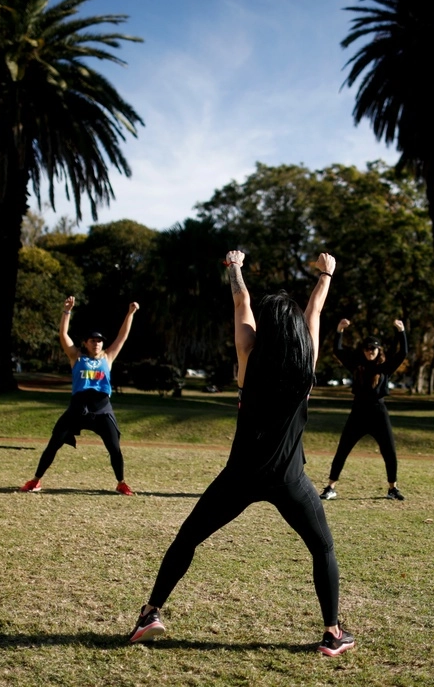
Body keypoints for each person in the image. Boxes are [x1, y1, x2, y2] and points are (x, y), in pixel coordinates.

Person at [128, 250, 355, 657]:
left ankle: (150, 613)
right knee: (322, 549)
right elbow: (315, 310)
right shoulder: (307, 362)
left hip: (240, 476)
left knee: (187, 539)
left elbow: (242, 302)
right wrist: (326, 273)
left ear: (266, 327)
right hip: (289, 479)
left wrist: (234, 267)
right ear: (298, 332)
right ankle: (333, 633)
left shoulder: (249, 354)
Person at [20, 297, 139, 495]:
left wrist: (130, 314)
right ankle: (35, 480)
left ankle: (121, 483)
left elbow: (123, 336)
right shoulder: (76, 356)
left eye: (100, 341)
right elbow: (63, 334)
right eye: (93, 340)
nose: (97, 343)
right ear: (85, 342)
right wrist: (67, 311)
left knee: (115, 449)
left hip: (102, 409)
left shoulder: (108, 357)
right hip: (78, 407)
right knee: (54, 443)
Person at [318, 318, 408, 501]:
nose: (370, 352)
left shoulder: (385, 367)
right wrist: (339, 331)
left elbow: (403, 353)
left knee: (389, 451)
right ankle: (330, 487)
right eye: (367, 349)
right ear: (363, 350)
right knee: (342, 450)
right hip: (358, 412)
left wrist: (401, 332)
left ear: (378, 350)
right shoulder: (357, 366)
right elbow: (338, 351)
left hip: (378, 413)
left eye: (373, 349)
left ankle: (393, 489)